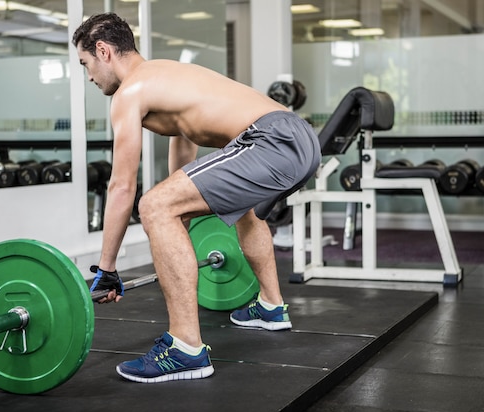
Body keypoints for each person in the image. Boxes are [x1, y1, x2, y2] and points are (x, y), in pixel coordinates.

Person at [72, 12, 321, 383]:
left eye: (86, 64)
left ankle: (185, 348)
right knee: (239, 210)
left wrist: (107, 268)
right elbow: (184, 160)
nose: (89, 77)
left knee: (152, 204)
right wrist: (176, 234)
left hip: (271, 141)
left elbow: (122, 186)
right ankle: (271, 307)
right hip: (296, 137)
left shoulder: (130, 92)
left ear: (104, 51)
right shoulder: (168, 75)